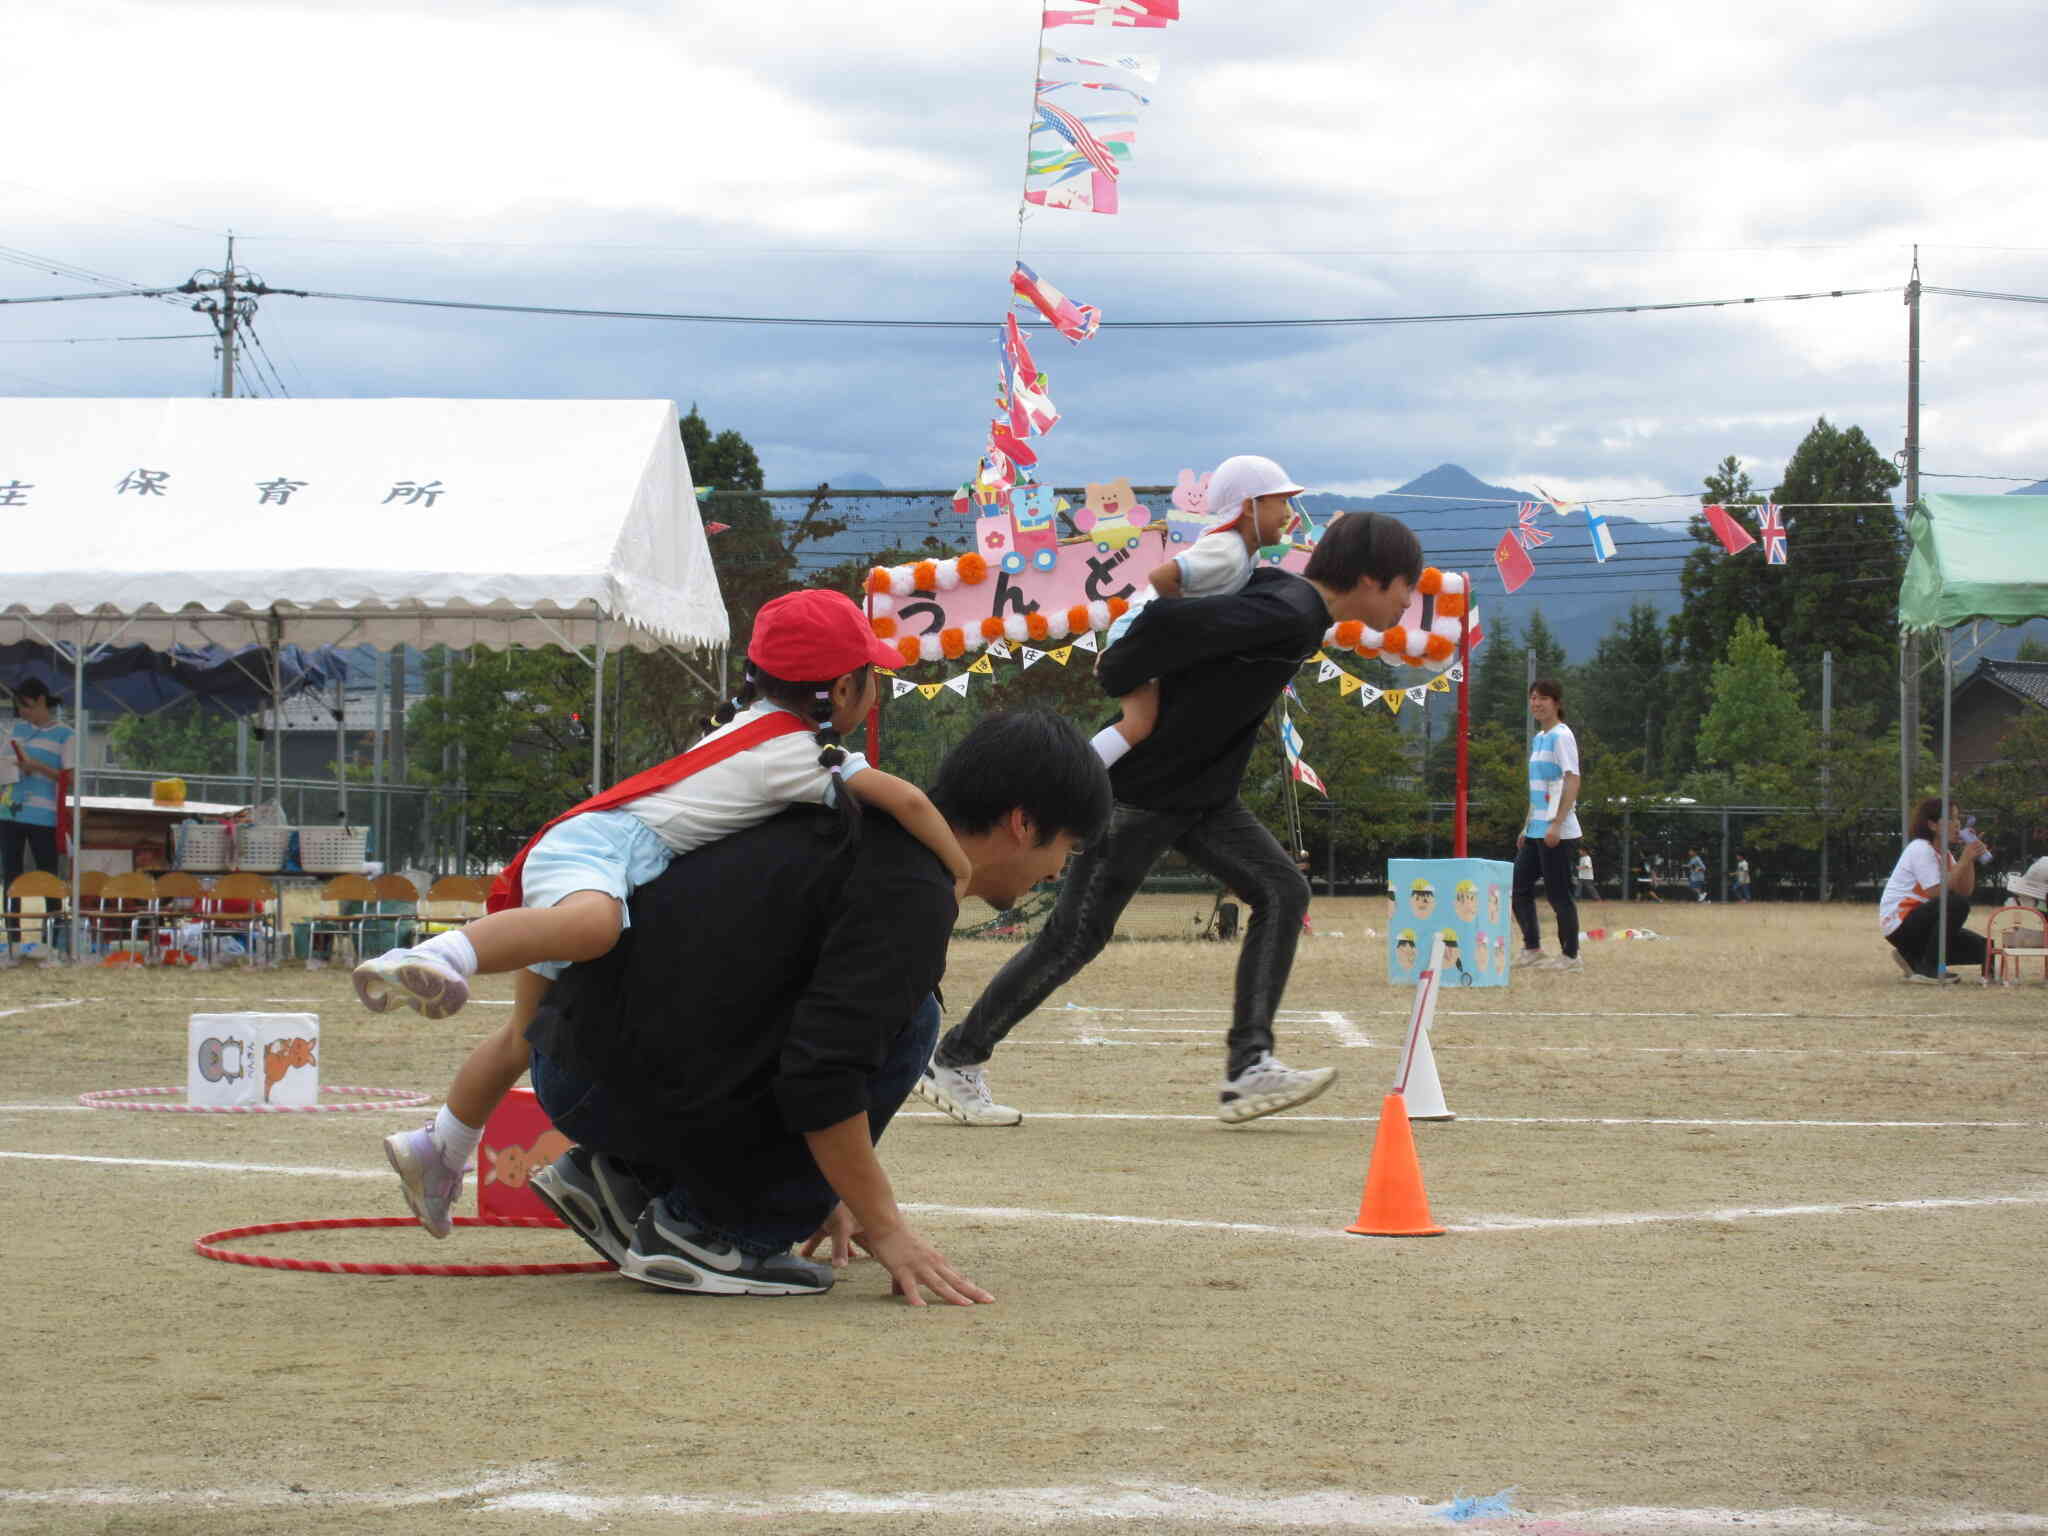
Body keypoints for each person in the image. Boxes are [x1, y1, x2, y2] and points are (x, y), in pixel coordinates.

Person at [367, 589, 974, 1236]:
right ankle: (440, 955)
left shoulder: (748, 727)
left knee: (522, 1037)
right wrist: (957, 870)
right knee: (595, 929)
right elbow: (904, 802)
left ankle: (439, 1150)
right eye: (873, 678)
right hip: (604, 851)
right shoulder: (793, 754)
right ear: (847, 689)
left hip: (597, 846)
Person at [521, 709, 1112, 1302]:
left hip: (570, 1063)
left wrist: (816, 1184)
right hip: (616, 1091)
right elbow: (823, 1073)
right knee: (912, 1024)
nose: (1059, 870)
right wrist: (874, 1221)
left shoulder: (851, 823)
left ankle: (621, 1182)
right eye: (1068, 847)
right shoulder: (910, 891)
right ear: (1022, 822)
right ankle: (715, 1235)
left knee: (834, 1017)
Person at [919, 508, 1424, 1127]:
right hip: (1142, 793)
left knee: (1282, 891)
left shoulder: (1289, 603)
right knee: (1075, 937)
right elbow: (1160, 619)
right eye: (1408, 586)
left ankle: (1249, 1068)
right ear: (1374, 578)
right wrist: (1122, 676)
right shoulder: (1288, 613)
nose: (1408, 602)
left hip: (1203, 796)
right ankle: (955, 1059)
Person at [1093, 455, 1306, 765]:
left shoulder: (1245, 553)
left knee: (1157, 722)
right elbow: (1163, 576)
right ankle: (1077, 777)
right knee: (1138, 724)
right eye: (1282, 503)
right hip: (1139, 632)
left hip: (1152, 637)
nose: (1289, 514)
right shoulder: (1228, 550)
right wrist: (1183, 626)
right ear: (1250, 507)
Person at [1513, 679, 1582, 973]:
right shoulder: (1540, 737)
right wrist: (1526, 825)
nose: (1536, 703)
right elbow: (1540, 788)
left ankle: (1570, 956)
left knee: (1558, 895)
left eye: (1542, 698)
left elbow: (1572, 780)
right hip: (1536, 829)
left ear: (1556, 702)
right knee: (1518, 888)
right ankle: (1533, 948)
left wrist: (1556, 823)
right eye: (1532, 698)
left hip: (1558, 831)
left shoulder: (1562, 736)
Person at [1880, 798, 1991, 982]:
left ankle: (1912, 957)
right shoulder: (1920, 848)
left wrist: (1969, 859)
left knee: (1986, 948)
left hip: (1926, 924)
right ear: (1932, 825)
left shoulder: (1945, 854)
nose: (1957, 824)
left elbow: (1965, 890)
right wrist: (1963, 860)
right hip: (1902, 924)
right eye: (1951, 819)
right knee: (1956, 904)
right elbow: (1936, 893)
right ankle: (1929, 969)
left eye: (1958, 819)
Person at [1, 679, 75, 950]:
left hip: (44, 816)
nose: (24, 712)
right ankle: (13, 941)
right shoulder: (15, 731)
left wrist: (37, 767)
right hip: (9, 811)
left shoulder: (65, 735)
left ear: (42, 700)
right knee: (10, 877)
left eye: (28, 706)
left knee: (48, 876)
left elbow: (71, 779)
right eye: (20, 707)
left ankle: (52, 940)